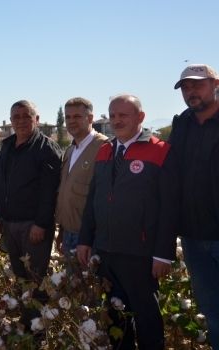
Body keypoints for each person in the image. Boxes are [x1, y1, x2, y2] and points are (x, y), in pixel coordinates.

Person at [77, 95, 178, 349]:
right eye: (113, 116)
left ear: (140, 117)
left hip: (140, 253)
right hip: (106, 251)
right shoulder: (105, 150)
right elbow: (93, 199)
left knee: (146, 319)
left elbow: (169, 207)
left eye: (124, 115)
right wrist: (85, 240)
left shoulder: (160, 150)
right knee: (115, 319)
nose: (117, 121)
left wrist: (163, 255)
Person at [169, 63, 219, 347]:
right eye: (186, 87)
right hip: (194, 236)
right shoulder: (183, 123)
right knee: (212, 313)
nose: (191, 92)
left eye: (197, 85)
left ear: (216, 84)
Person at [0, 100, 62, 281]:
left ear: (36, 119)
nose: (21, 121)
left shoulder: (46, 148)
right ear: (11, 121)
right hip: (9, 224)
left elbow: (50, 190)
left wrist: (41, 223)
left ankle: (36, 310)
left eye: (26, 116)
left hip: (33, 226)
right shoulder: (7, 147)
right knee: (19, 278)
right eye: (16, 117)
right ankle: (23, 310)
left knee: (35, 279)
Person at [55, 98, 107, 255]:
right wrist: (62, 230)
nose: (71, 121)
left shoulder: (103, 147)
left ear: (90, 118)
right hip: (69, 234)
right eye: (68, 117)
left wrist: (88, 238)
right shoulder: (70, 151)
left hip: (89, 238)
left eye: (77, 116)